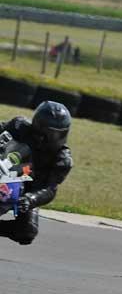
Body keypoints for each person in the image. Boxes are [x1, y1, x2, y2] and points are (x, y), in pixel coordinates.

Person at [0, 102, 73, 245]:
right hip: (4, 169)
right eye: (52, 133)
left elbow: (50, 189)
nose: (56, 137)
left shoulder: (62, 159)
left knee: (27, 231)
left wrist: (30, 199)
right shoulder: (18, 126)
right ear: (38, 128)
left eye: (60, 133)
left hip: (25, 191)